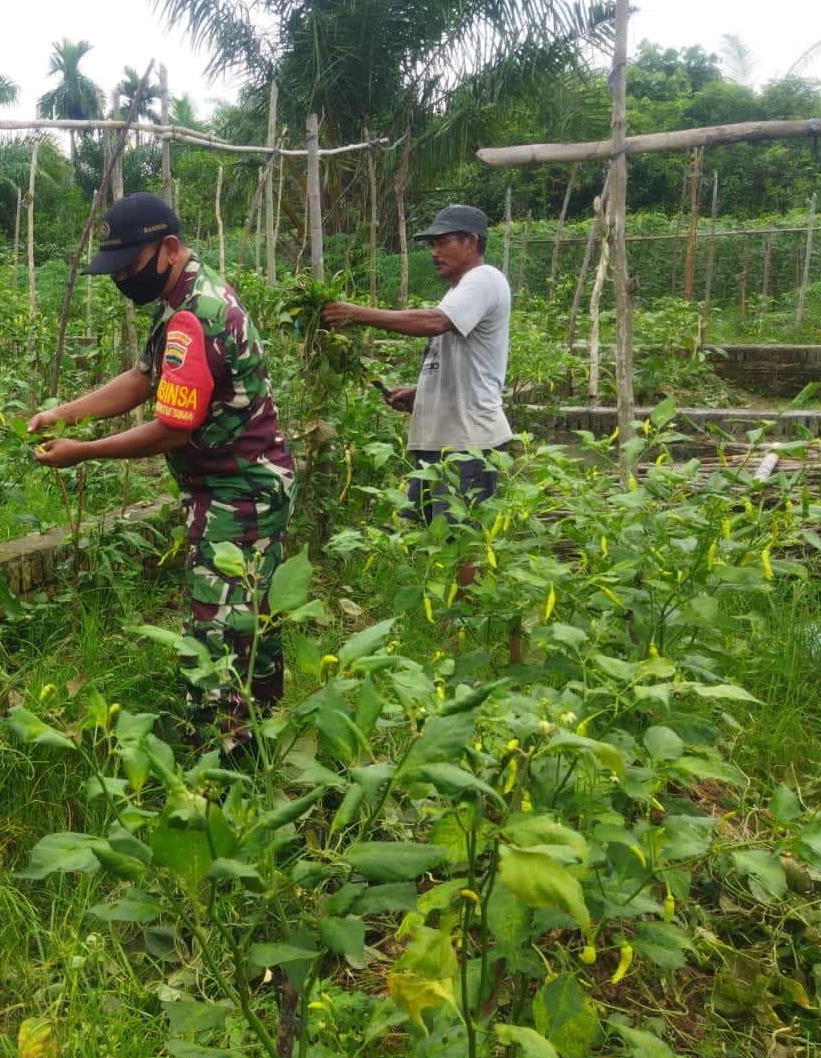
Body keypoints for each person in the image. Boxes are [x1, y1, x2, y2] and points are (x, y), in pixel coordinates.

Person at [29, 192, 296, 751]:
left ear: (169, 248)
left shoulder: (198, 314)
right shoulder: (181, 299)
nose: (123, 279)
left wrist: (82, 450)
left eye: (129, 266)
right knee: (251, 616)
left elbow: (174, 428)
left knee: (214, 634)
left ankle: (225, 766)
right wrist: (65, 412)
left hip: (237, 494)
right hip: (246, 484)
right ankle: (270, 732)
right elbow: (144, 376)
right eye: (117, 270)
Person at [321, 203, 512, 570]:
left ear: (470, 242)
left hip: (468, 441)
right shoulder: (461, 289)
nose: (434, 252)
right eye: (432, 244)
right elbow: (459, 359)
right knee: (430, 535)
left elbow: (435, 322)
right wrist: (420, 394)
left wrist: (357, 314)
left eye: (443, 243)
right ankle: (443, 619)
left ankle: (464, 621)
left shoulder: (483, 278)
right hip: (440, 438)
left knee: (462, 540)